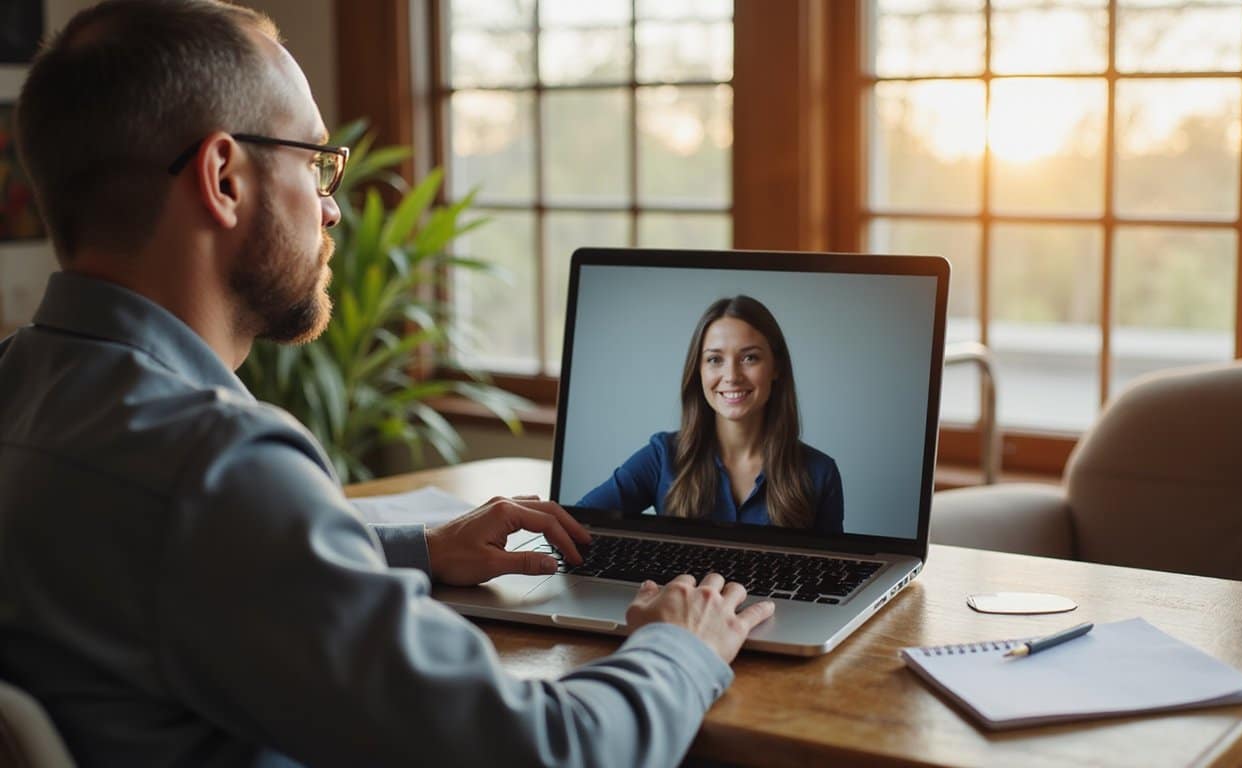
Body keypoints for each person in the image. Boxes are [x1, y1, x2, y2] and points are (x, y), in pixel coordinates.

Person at [0, 2, 774, 766]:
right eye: (313, 161)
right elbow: (549, 752)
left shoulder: (24, 386)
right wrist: (680, 644)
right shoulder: (214, 466)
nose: (331, 207)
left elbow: (178, 563)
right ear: (225, 178)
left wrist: (418, 549)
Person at [579, 295, 844, 533]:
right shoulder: (663, 456)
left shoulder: (819, 472)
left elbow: (837, 573)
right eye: (715, 360)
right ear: (699, 371)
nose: (731, 376)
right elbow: (576, 525)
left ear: (776, 368)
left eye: (750, 358)